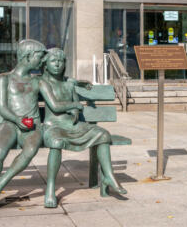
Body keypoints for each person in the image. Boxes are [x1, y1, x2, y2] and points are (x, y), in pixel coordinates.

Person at [39, 48, 127, 208]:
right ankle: (50, 187)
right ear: (45, 65)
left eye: (61, 61)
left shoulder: (69, 83)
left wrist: (74, 111)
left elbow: (74, 104)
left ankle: (108, 177)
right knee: (56, 142)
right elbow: (55, 106)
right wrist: (75, 105)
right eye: (53, 61)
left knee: (103, 134)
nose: (57, 64)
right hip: (53, 127)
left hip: (72, 125)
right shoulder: (43, 83)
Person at [0, 39, 46, 214]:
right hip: (10, 123)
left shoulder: (38, 81)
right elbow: (1, 107)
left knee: (30, 150)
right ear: (28, 56)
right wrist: (17, 119)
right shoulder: (4, 78)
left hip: (32, 127)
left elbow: (60, 80)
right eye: (39, 57)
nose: (41, 61)